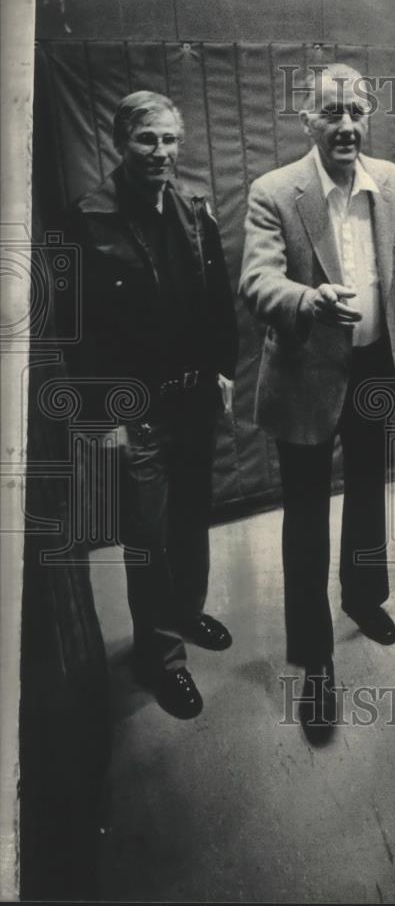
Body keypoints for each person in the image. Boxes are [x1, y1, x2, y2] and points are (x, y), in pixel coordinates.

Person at [240, 63, 395, 734]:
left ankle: (363, 596)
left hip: (378, 364)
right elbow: (256, 282)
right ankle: (315, 662)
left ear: (368, 115)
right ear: (307, 121)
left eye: (356, 111)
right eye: (332, 114)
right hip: (305, 374)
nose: (346, 125)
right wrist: (307, 299)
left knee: (370, 491)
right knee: (304, 519)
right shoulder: (274, 192)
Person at [64, 91, 239, 719]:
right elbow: (76, 329)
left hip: (193, 397)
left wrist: (223, 368)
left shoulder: (195, 210)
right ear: (120, 143)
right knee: (146, 537)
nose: (160, 152)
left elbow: (219, 298)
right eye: (146, 140)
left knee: (193, 518)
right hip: (133, 409)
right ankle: (161, 656)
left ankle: (187, 613)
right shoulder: (86, 218)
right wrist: (101, 413)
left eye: (169, 139)